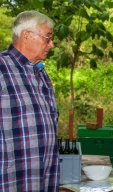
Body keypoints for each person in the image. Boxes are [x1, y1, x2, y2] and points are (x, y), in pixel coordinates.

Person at [0, 10, 59, 191]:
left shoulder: (40, 72)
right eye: (47, 38)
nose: (52, 44)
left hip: (42, 176)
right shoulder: (2, 68)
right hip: (11, 178)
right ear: (26, 35)